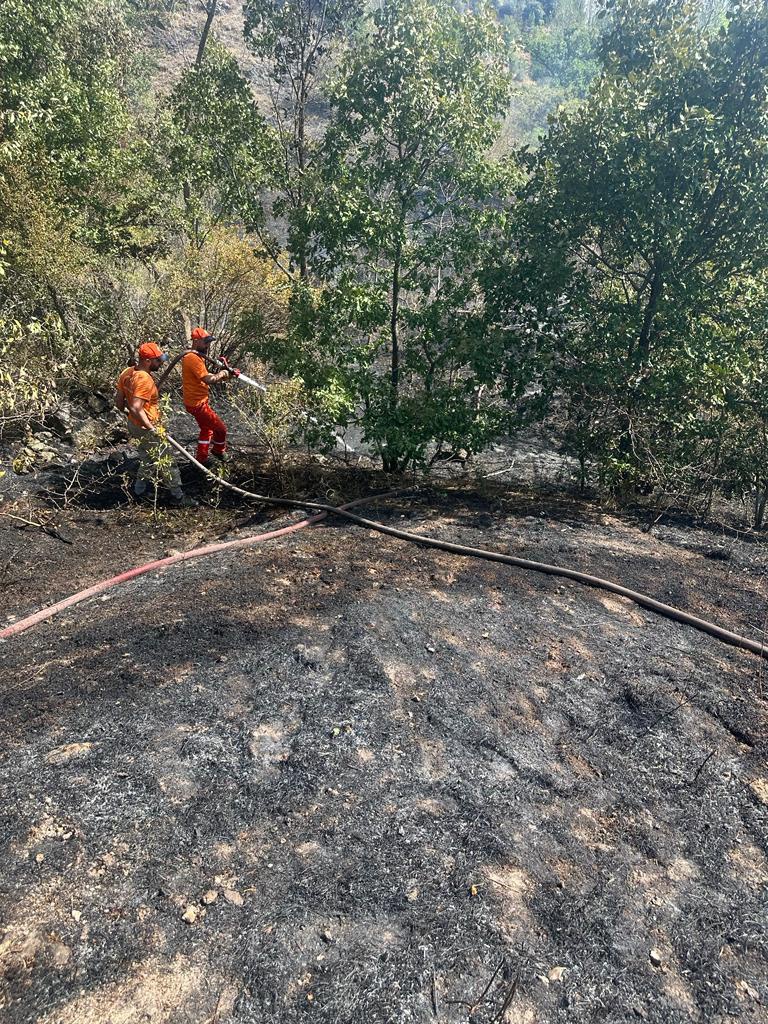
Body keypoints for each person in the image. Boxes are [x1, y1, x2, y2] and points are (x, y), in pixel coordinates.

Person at [115, 342, 189, 505]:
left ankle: (138, 491)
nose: (161, 363)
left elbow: (120, 403)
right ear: (147, 361)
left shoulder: (127, 372)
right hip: (147, 427)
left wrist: (130, 415)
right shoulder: (144, 379)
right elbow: (135, 406)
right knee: (167, 461)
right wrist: (151, 428)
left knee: (147, 459)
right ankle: (178, 497)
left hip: (134, 425)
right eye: (158, 360)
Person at [181, 328, 233, 465]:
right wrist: (222, 374)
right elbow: (208, 379)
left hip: (195, 402)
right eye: (205, 342)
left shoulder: (195, 356)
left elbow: (205, 375)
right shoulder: (192, 358)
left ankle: (201, 458)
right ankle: (218, 450)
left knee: (206, 429)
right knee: (221, 429)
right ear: (196, 341)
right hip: (198, 405)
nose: (207, 346)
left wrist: (225, 374)